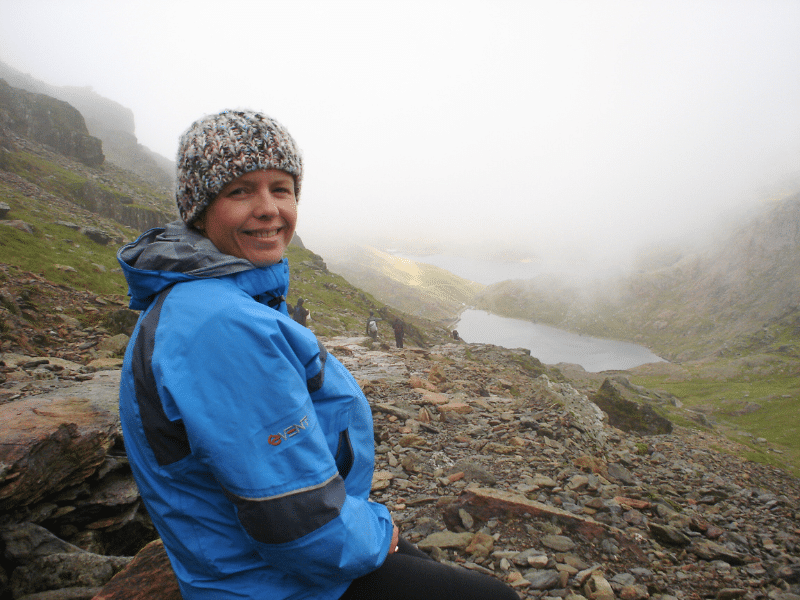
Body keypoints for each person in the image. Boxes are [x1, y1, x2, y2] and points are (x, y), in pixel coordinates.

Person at [117, 109, 518, 600]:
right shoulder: (219, 325)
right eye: (239, 190)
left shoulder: (212, 300)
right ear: (200, 210)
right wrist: (374, 530)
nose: (268, 209)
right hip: (273, 581)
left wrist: (370, 526)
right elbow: (293, 519)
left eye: (280, 188)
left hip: (260, 559)